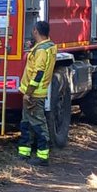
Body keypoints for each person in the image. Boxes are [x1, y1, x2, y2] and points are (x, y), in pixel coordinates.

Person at [18, 20, 57, 164]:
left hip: (34, 94)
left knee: (39, 125)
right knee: (26, 123)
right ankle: (24, 152)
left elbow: (38, 72)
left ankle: (42, 157)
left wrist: (28, 92)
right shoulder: (48, 47)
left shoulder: (41, 50)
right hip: (35, 93)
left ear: (35, 31)